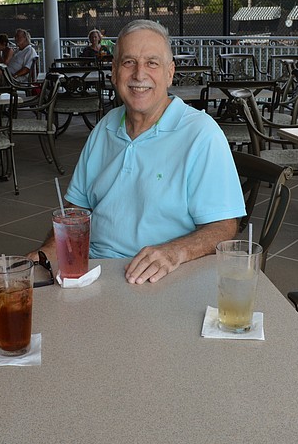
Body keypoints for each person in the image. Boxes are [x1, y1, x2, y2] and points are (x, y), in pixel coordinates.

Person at [33, 20, 245, 284]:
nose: (139, 75)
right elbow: (76, 211)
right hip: (91, 270)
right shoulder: (105, 126)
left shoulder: (201, 134)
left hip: (161, 276)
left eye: (152, 63)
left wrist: (174, 252)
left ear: (170, 73)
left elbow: (224, 227)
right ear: (114, 71)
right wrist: (44, 255)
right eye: (128, 62)